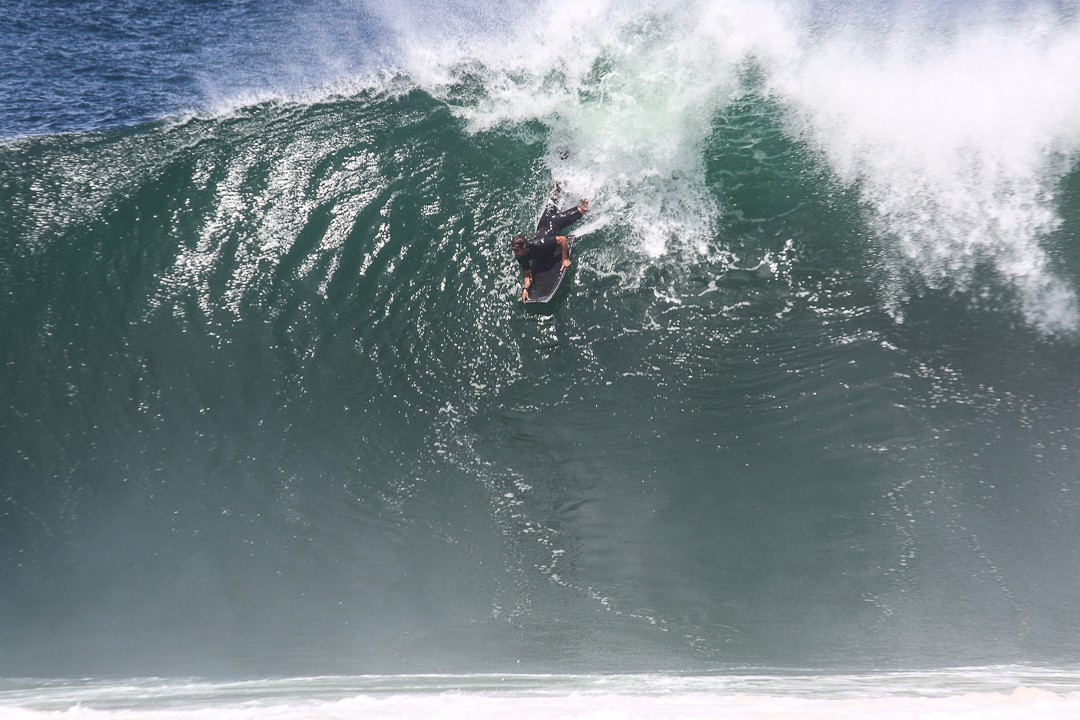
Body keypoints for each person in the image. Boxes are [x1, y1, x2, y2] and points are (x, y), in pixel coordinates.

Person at [511, 188, 589, 301]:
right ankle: (560, 183)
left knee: (583, 209)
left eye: (516, 250)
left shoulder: (540, 244)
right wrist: (525, 289)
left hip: (554, 223)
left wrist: (564, 259)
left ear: (524, 247)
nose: (514, 253)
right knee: (554, 197)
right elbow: (527, 272)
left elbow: (562, 240)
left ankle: (587, 191)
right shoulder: (520, 255)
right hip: (543, 222)